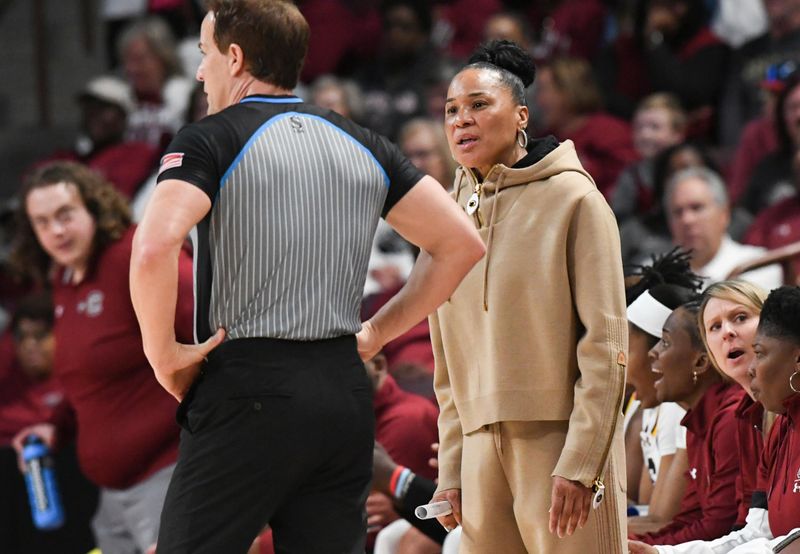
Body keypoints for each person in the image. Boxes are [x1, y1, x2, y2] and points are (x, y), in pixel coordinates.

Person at [129, 2, 484, 553]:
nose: (200, 72)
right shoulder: (364, 141)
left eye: (205, 55)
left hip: (246, 389)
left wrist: (163, 354)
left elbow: (152, 246)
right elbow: (461, 244)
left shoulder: (208, 139)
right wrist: (376, 335)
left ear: (236, 57)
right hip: (341, 394)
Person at [430, 39, 627, 553]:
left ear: (521, 116)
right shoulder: (444, 223)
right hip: (476, 452)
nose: (461, 120)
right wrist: (451, 469)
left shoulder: (575, 199)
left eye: (478, 105)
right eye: (452, 110)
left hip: (559, 441)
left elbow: (606, 346)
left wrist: (582, 463)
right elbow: (447, 368)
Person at [8, 161, 194, 554]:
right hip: (113, 499)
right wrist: (55, 427)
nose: (56, 231)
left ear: (93, 206)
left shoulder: (135, 255)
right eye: (42, 222)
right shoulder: (64, 277)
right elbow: (88, 378)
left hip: (172, 477)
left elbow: (213, 337)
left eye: (65, 214)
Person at [628, 285, 800, 553]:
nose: (728, 332)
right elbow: (754, 531)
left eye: (740, 318)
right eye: (714, 327)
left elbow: (717, 525)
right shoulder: (752, 418)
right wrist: (660, 552)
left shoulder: (730, 416)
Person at [631, 300, 744, 545]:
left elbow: (718, 527)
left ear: (701, 363)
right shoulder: (697, 420)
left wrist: (643, 549)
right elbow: (688, 518)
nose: (654, 352)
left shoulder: (730, 419)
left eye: (666, 342)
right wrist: (634, 543)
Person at [624, 249, 702, 527]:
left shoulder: (677, 412)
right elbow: (646, 506)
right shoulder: (652, 406)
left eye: (627, 349)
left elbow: (662, 520)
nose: (619, 360)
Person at [534, 56, 639, 199]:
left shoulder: (609, 132)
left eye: (544, 90)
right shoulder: (543, 139)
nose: (539, 101)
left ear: (568, 90)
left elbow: (629, 186)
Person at [663, 167, 783, 289]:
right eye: (678, 212)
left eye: (696, 207)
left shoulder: (758, 266)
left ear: (724, 214)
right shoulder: (657, 278)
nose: (687, 220)